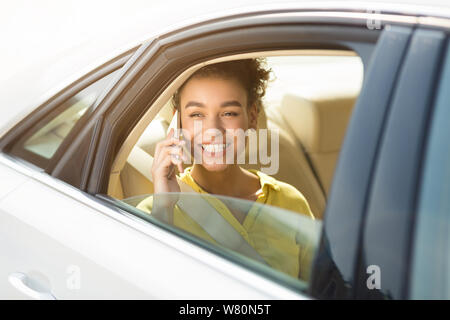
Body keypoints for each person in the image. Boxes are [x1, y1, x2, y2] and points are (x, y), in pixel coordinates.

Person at [137, 58, 315, 280]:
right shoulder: (153, 211)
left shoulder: (290, 202)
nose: (213, 130)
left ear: (251, 116)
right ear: (178, 121)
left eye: (228, 113)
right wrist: (164, 209)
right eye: (196, 114)